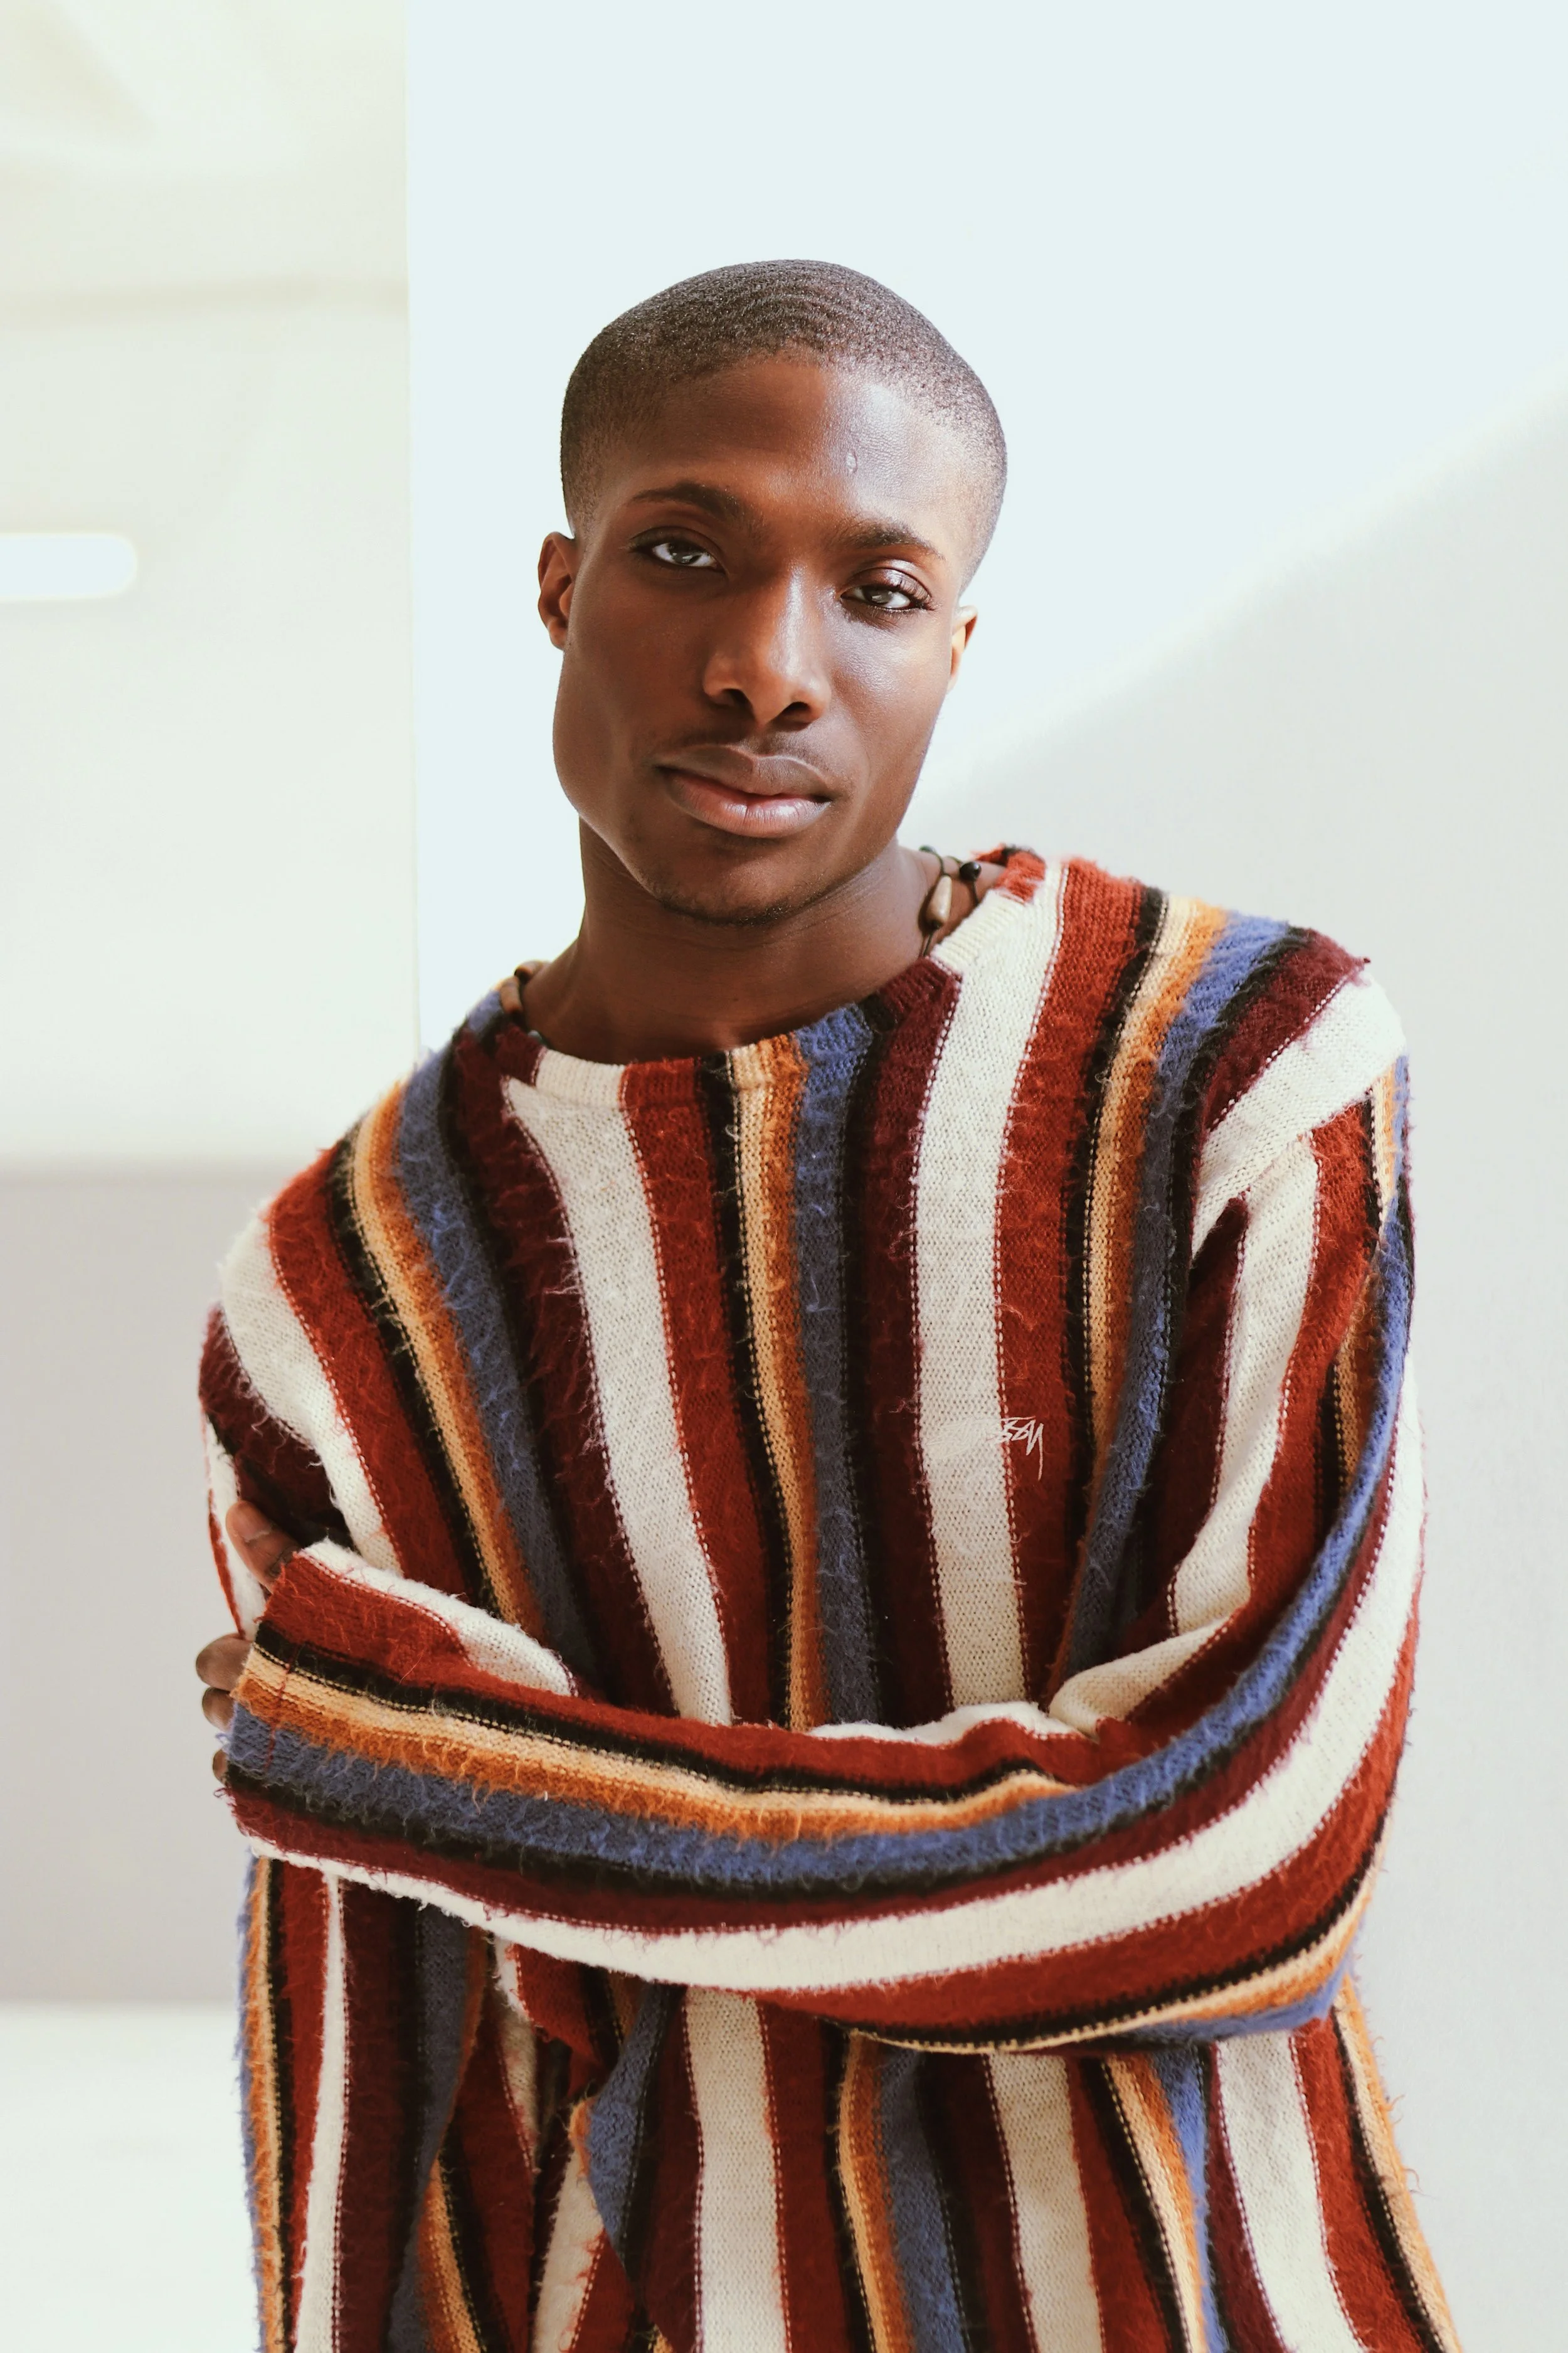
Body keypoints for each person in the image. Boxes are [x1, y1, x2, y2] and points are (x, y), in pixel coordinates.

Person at [195, 260, 1458, 2353]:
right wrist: (403, 1790)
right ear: (558, 585)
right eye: (684, 553)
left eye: (877, 591)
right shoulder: (345, 1279)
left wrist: (425, 1769)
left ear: (954, 649)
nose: (767, 669)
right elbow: (380, 2041)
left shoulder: (1229, 1065)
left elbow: (1243, 1861)